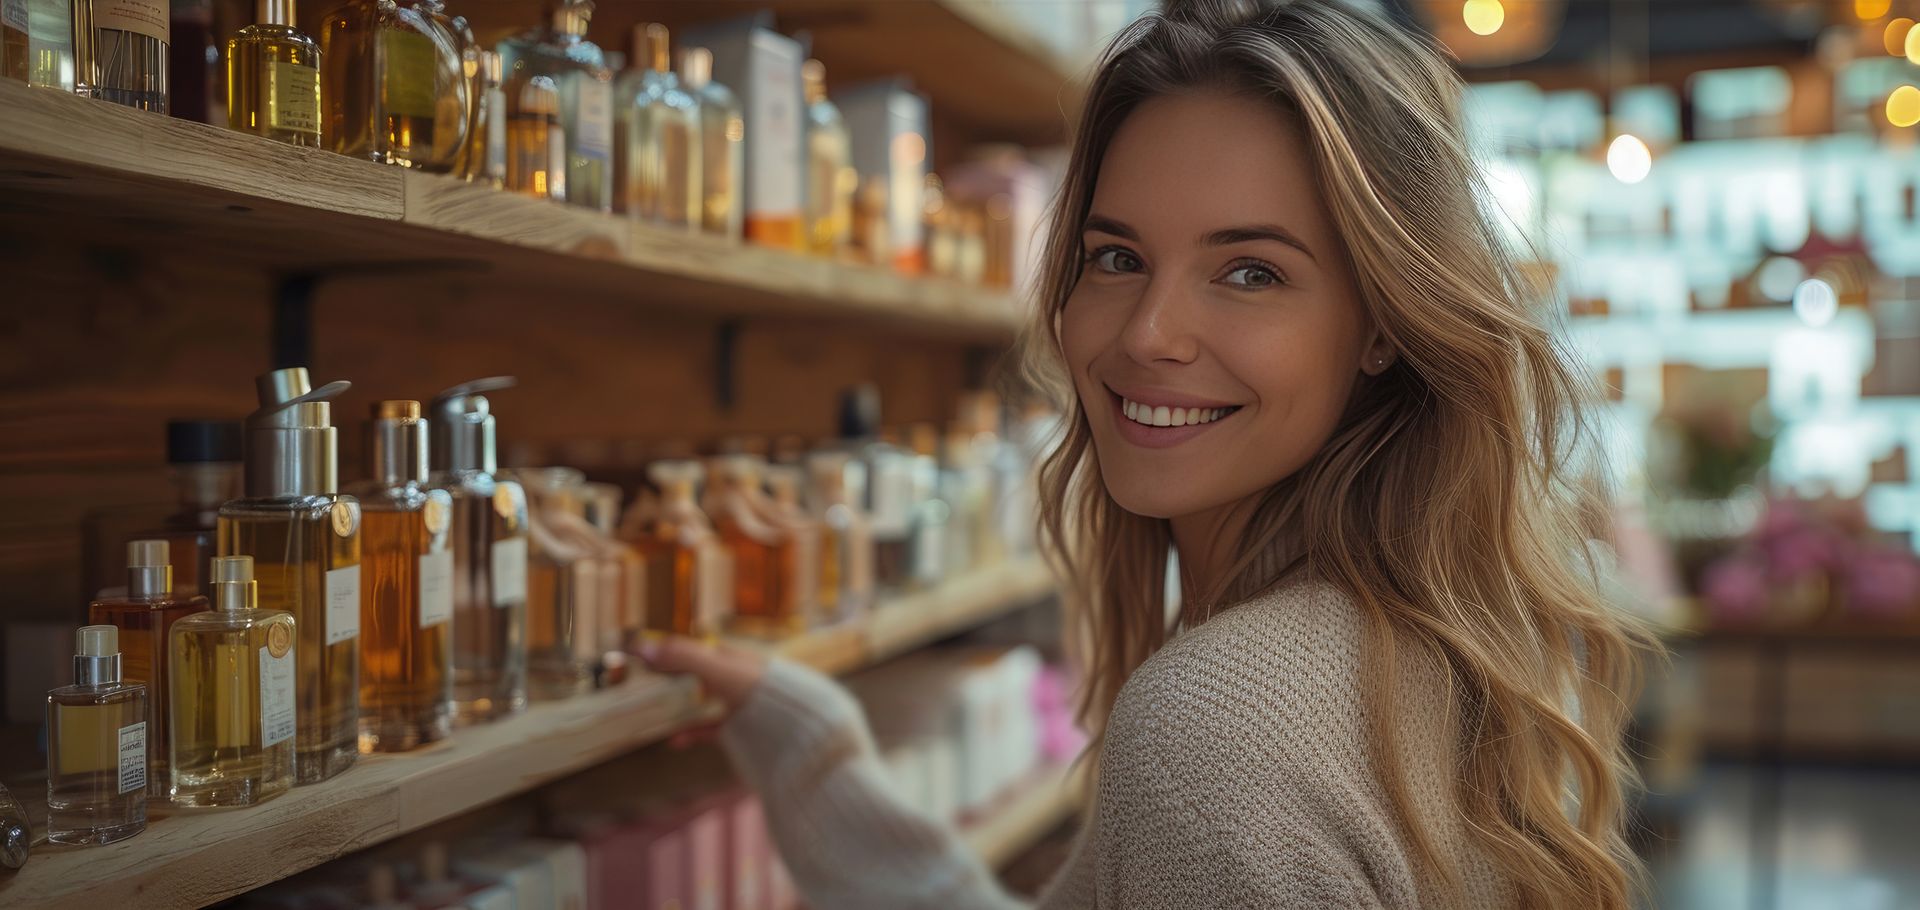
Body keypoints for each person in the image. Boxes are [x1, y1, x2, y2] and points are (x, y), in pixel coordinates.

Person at [640, 0, 1655, 906]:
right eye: (1117, 258)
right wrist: (815, 753)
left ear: (1384, 320)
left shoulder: (1215, 732)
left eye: (1250, 271)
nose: (1147, 334)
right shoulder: (1430, 646)